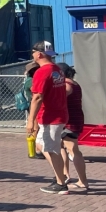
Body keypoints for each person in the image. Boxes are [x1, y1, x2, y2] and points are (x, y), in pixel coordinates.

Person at [27, 41, 70, 194]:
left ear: (39, 54)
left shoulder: (42, 72)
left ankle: (61, 182)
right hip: (58, 114)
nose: (32, 55)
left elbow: (37, 97)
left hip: (51, 117)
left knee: (51, 149)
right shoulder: (57, 69)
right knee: (43, 145)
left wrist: (30, 120)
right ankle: (59, 176)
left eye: (33, 52)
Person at [60, 63, 89, 193]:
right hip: (72, 119)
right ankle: (65, 175)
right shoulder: (74, 83)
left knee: (73, 150)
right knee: (61, 147)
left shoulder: (67, 85)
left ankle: (83, 181)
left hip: (70, 121)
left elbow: (60, 98)